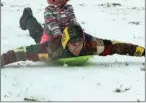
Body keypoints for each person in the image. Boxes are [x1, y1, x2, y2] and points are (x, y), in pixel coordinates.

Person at [1, 21, 145, 67]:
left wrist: (143, 51)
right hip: (52, 40)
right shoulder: (51, 50)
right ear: (66, 44)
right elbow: (22, 52)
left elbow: (118, 47)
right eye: (73, 44)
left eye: (79, 43)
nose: (77, 47)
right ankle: (27, 17)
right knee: (37, 32)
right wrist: (2, 60)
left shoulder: (93, 45)